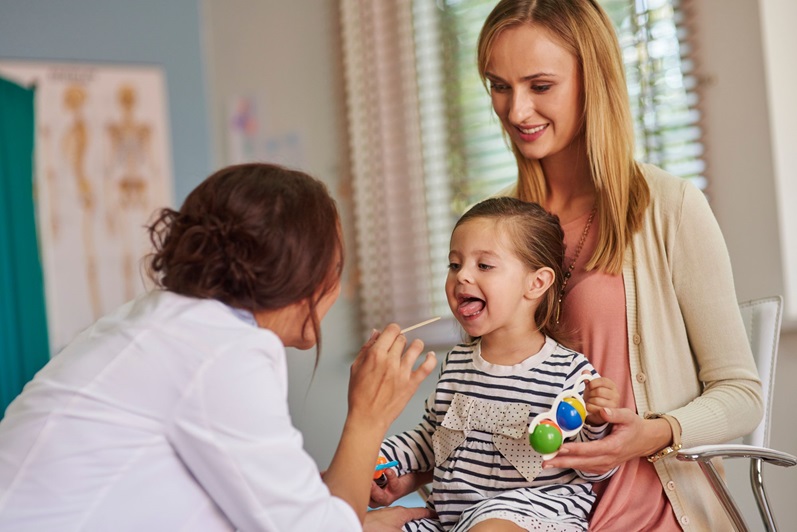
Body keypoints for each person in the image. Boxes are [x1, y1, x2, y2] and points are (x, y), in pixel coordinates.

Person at [0, 163, 436, 531]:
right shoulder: (221, 354)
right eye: (336, 267)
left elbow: (270, 505)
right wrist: (368, 415)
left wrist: (339, 511)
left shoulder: (165, 321)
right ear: (302, 273)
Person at [464, 0, 762, 529]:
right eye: (499, 86)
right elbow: (493, 400)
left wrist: (654, 432)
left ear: (592, 80)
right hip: (528, 511)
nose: (515, 112)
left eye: (540, 85)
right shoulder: (495, 231)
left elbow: (742, 395)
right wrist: (416, 474)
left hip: (647, 512)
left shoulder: (670, 207)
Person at [372, 197, 622, 531]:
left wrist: (594, 422)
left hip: (533, 516)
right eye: (455, 265)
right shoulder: (456, 365)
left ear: (536, 283)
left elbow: (597, 469)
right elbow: (431, 439)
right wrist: (379, 458)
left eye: (484, 266)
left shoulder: (571, 372)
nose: (462, 277)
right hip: (453, 519)